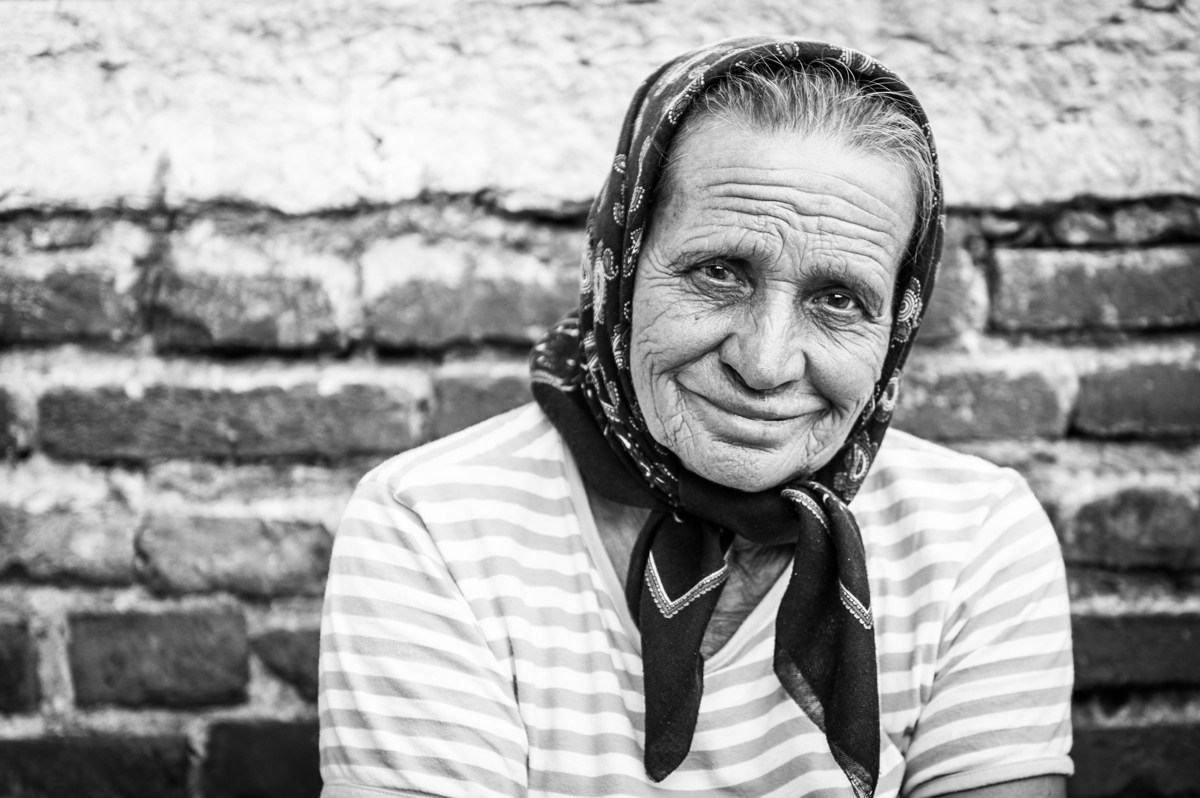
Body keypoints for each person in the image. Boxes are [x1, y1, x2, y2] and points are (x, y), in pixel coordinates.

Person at [318, 37, 1073, 798]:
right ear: (621, 268)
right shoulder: (435, 526)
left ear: (898, 322)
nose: (767, 362)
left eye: (838, 298)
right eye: (719, 272)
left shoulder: (976, 540)